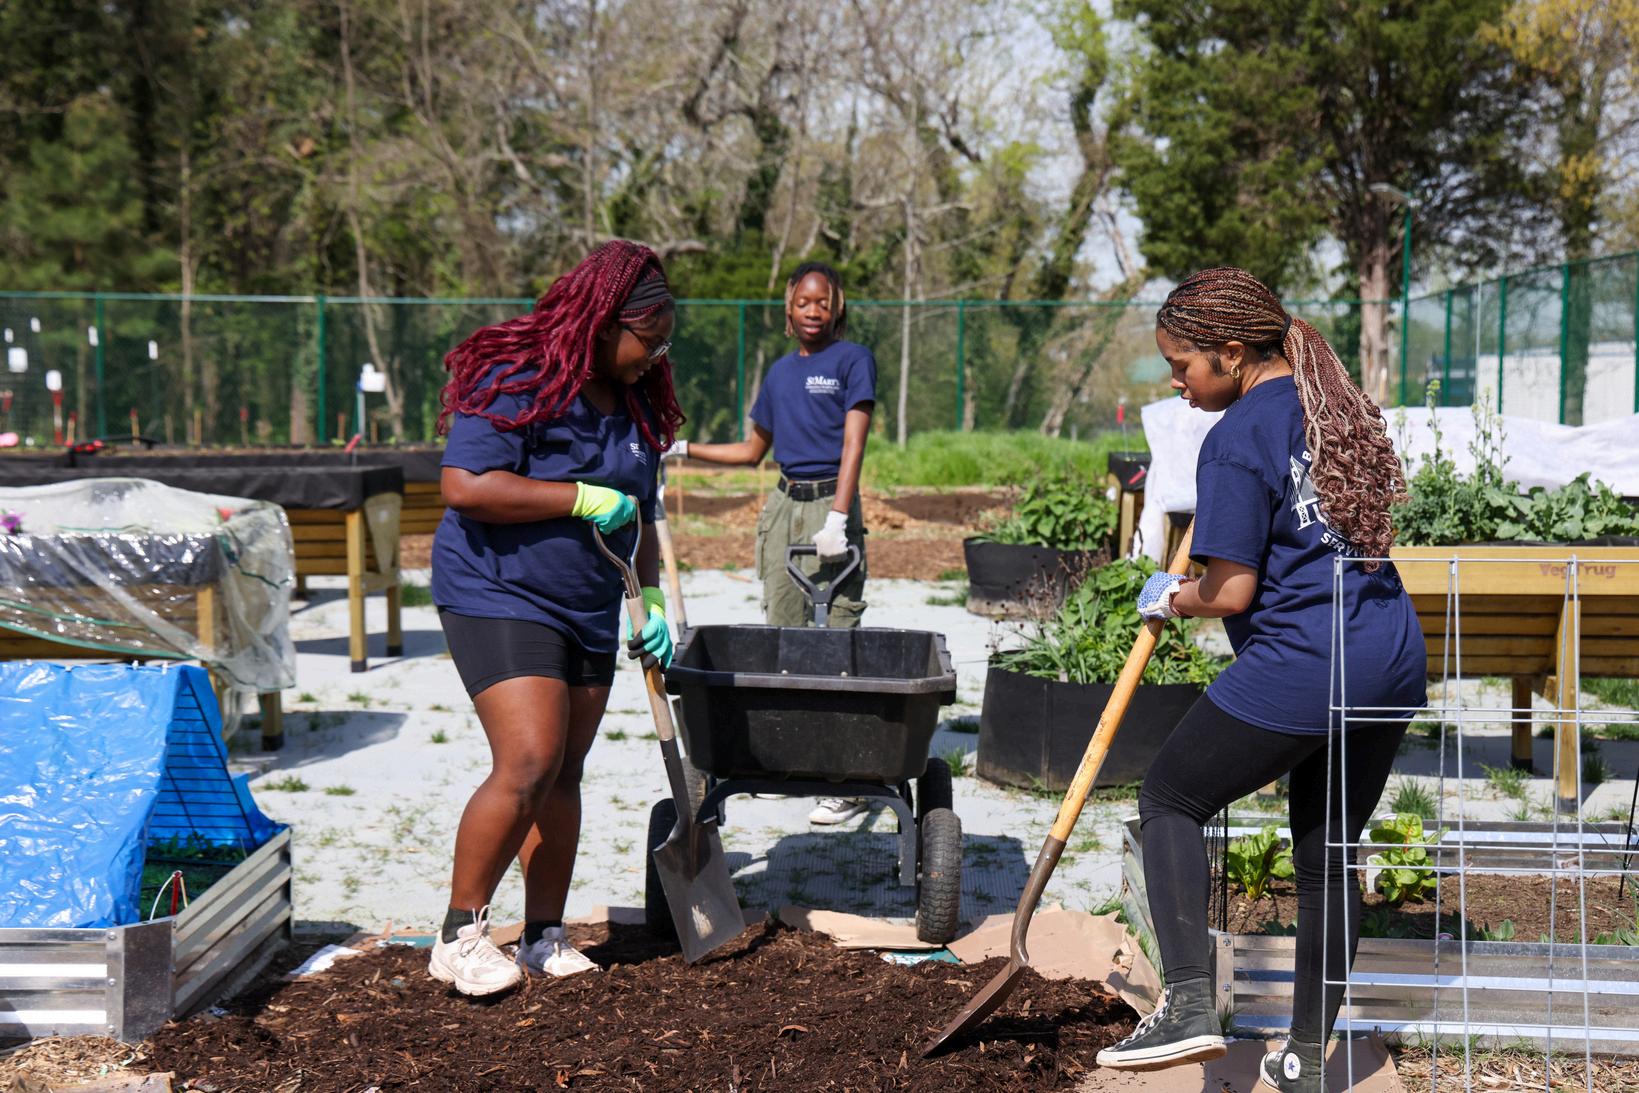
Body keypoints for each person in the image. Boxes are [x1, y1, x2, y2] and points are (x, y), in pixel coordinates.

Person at [1094, 268, 1426, 1091]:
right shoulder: (1332, 405)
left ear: (1233, 352)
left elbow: (1231, 591)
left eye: (1182, 365)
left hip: (1305, 660)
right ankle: (1306, 1057)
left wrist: (1171, 595)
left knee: (1170, 797)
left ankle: (1186, 1005)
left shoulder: (1235, 436)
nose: (1175, 381)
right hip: (1387, 654)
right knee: (1326, 854)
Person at [425, 240, 683, 996]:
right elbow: (466, 484)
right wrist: (576, 497)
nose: (655, 356)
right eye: (647, 340)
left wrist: (650, 597)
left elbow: (642, 511)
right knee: (530, 760)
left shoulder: (636, 399)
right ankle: (458, 935)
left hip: (589, 599)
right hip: (496, 589)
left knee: (564, 771)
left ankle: (542, 934)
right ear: (604, 321)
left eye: (664, 344)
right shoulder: (520, 374)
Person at [664, 261, 876, 826]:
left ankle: (847, 778)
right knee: (783, 635)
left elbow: (854, 445)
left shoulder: (853, 360)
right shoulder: (780, 374)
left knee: (836, 637)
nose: (813, 311)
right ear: (789, 307)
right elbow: (751, 450)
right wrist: (682, 449)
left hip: (830, 502)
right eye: (804, 302)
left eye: (823, 302)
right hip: (784, 505)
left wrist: (838, 518)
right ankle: (788, 762)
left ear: (837, 307)